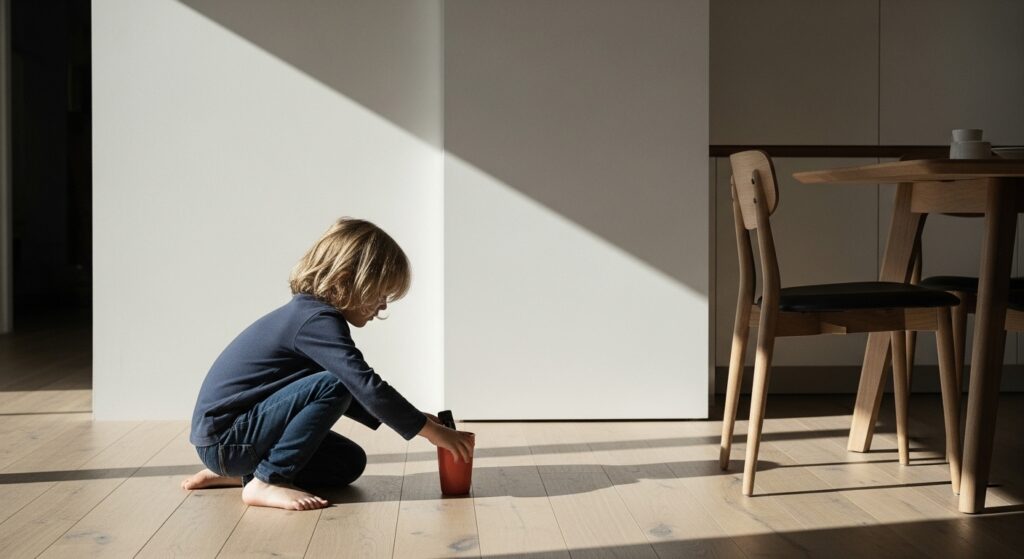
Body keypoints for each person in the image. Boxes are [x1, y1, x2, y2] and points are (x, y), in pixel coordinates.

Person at [181, 217, 475, 511]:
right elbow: (361, 385)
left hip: (234, 440)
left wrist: (416, 418)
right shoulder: (316, 321)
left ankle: (244, 474)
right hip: (227, 441)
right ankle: (268, 479)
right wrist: (430, 431)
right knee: (338, 382)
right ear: (346, 280)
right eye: (381, 294)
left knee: (347, 463)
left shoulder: (310, 316)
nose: (384, 305)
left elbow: (352, 392)